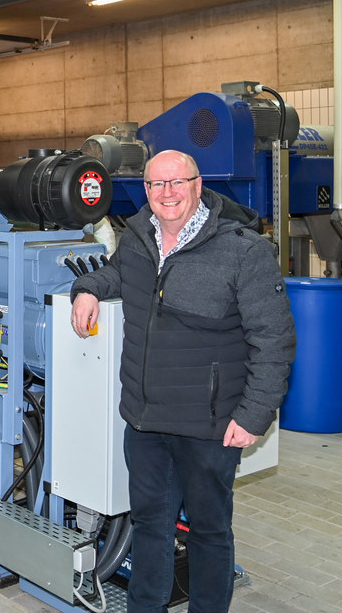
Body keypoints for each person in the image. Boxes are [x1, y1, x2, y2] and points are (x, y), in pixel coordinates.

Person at [69, 150, 295, 613]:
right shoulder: (137, 238)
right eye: (156, 185)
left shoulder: (242, 249)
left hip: (209, 425)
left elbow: (274, 340)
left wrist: (254, 415)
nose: (166, 193)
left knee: (210, 532)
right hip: (146, 420)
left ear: (197, 185)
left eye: (177, 183)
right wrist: (88, 289)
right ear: (146, 191)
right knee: (151, 526)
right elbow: (118, 273)